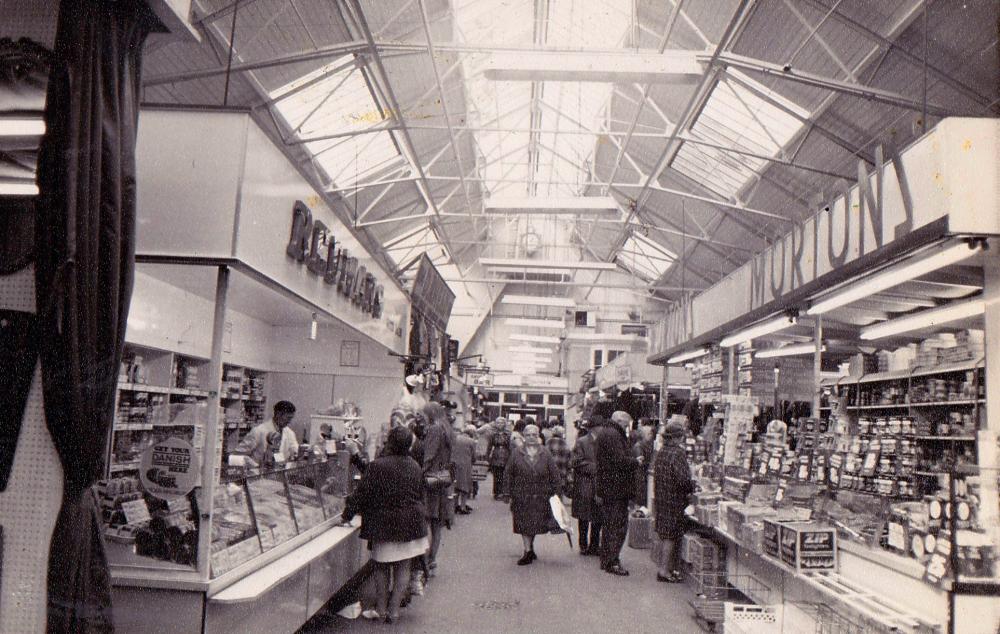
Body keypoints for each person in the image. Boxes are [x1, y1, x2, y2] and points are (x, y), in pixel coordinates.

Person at [341, 426, 428, 624]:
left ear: (390, 442)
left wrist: (347, 515)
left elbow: (361, 495)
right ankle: (394, 611)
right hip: (411, 525)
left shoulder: (377, 466)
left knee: (381, 566)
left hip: (384, 525)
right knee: (403, 566)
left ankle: (380, 610)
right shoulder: (415, 466)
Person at [503, 424, 560, 565]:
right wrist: (506, 492)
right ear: (523, 436)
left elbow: (554, 474)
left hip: (541, 495)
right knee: (524, 522)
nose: (531, 438)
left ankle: (530, 547)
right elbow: (508, 473)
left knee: (534, 523)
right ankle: (527, 551)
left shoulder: (545, 453)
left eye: (534, 435)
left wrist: (557, 492)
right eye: (528, 435)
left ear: (538, 436)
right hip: (521, 495)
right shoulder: (517, 452)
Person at [592, 410, 641, 576]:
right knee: (616, 526)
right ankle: (612, 561)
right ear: (620, 421)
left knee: (609, 525)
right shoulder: (614, 435)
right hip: (616, 488)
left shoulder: (606, 432)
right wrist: (635, 461)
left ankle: (607, 559)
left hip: (609, 487)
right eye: (626, 424)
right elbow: (618, 461)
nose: (627, 427)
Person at [653, 420, 694, 583]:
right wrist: (693, 487)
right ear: (677, 438)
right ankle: (664, 571)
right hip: (674, 499)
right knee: (671, 536)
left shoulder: (662, 451)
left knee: (665, 535)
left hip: (662, 497)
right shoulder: (678, 453)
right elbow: (683, 479)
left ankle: (667, 568)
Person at [421, 402, 454, 572]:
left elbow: (429, 454)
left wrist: (421, 471)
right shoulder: (446, 428)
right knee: (436, 523)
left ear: (430, 414)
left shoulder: (434, 429)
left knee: (427, 519)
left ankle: (425, 559)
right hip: (442, 479)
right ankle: (432, 558)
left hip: (431, 479)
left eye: (424, 414)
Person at [232, 400, 299, 467]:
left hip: (277, 472)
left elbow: (295, 450)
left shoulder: (289, 433)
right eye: (288, 418)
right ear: (278, 414)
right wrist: (254, 465)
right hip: (257, 473)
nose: (290, 421)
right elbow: (237, 454)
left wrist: (296, 454)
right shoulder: (259, 431)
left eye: (291, 418)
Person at [571, 418, 601, 556]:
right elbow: (576, 461)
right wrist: (595, 467)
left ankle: (594, 545)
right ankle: (583, 544)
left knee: (597, 516)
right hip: (584, 483)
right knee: (583, 516)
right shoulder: (582, 441)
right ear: (593, 428)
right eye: (600, 427)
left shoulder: (603, 442)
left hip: (598, 484)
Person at [453, 425, 477, 514]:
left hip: (454, 464)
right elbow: (474, 456)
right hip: (465, 466)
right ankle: (463, 507)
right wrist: (473, 461)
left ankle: (455, 506)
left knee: (455, 486)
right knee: (464, 487)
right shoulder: (471, 441)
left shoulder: (455, 439)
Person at [632, 419, 657, 506]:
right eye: (649, 434)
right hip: (641, 478)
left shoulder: (648, 445)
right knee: (642, 500)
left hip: (644, 477)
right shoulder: (639, 446)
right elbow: (641, 463)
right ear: (644, 435)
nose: (652, 435)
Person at [486, 417, 511, 499]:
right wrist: (487, 458)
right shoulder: (493, 434)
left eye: (502, 423)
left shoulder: (508, 434)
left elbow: (510, 446)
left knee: (504, 475)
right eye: (498, 423)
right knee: (496, 475)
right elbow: (489, 446)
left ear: (505, 424)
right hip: (496, 455)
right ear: (496, 424)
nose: (500, 424)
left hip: (505, 455)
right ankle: (496, 492)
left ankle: (504, 492)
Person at [545, 425, 571, 499]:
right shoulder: (565, 445)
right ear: (561, 434)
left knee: (548, 499)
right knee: (558, 500)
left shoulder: (548, 442)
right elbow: (569, 463)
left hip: (548, 475)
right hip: (561, 476)